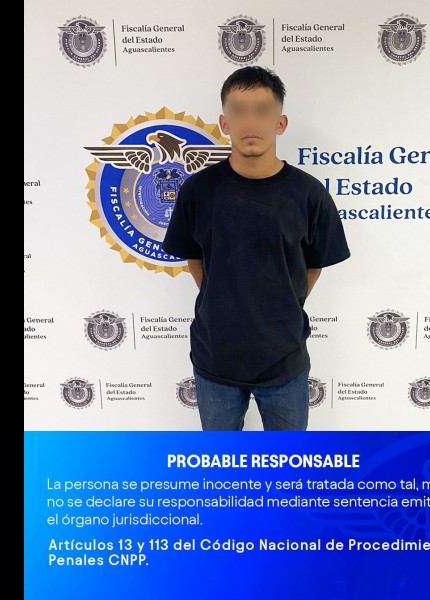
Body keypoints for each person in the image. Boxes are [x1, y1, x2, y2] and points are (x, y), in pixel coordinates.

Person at [162, 66, 351, 431]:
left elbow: (314, 265)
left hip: (284, 361)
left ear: (280, 123)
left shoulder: (309, 194)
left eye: (262, 111)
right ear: (224, 123)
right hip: (215, 358)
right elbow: (194, 256)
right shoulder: (198, 191)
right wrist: (222, 298)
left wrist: (280, 303)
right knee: (221, 461)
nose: (251, 122)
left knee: (287, 461)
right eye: (239, 111)